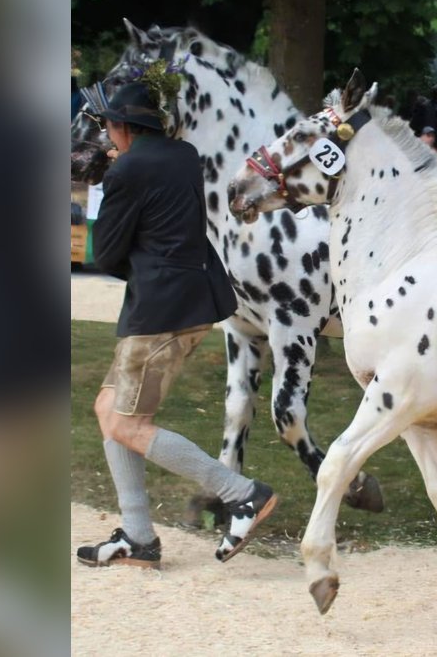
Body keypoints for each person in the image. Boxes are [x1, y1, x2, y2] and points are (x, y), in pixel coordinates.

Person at [77, 82, 277, 569]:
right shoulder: (184, 155)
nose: (105, 131)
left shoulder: (126, 169)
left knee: (127, 422)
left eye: (107, 123)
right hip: (188, 299)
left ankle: (242, 494)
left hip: (160, 310)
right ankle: (138, 536)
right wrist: (118, 166)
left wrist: (102, 183)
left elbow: (104, 253)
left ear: (122, 126)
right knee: (109, 408)